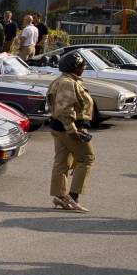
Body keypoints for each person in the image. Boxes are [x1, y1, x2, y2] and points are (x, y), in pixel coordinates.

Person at [47, 51, 96, 213]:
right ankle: (73, 198)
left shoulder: (61, 80)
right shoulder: (67, 83)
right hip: (70, 127)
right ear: (75, 67)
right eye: (82, 65)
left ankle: (60, 196)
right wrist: (72, 129)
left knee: (62, 162)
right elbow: (65, 109)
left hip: (59, 127)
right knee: (87, 158)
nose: (84, 68)